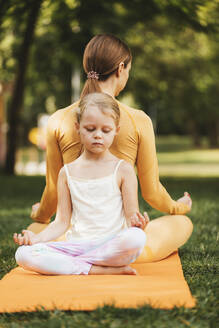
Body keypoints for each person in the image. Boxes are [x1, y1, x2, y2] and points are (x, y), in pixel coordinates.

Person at [28, 34, 193, 262]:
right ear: (121, 68)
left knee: (36, 229)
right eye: (128, 71)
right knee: (181, 223)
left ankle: (76, 255)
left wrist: (39, 214)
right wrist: (178, 207)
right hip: (122, 248)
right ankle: (113, 257)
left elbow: (53, 190)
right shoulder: (139, 120)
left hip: (71, 240)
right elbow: (151, 192)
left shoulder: (58, 119)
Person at [14, 93, 148, 275]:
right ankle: (95, 269)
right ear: (78, 128)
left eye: (105, 130)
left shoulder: (123, 169)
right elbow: (61, 222)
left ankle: (74, 266)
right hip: (76, 246)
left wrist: (138, 224)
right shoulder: (66, 172)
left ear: (116, 130)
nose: (98, 135)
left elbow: (131, 217)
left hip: (110, 244)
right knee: (23, 254)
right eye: (90, 129)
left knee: (137, 238)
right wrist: (36, 239)